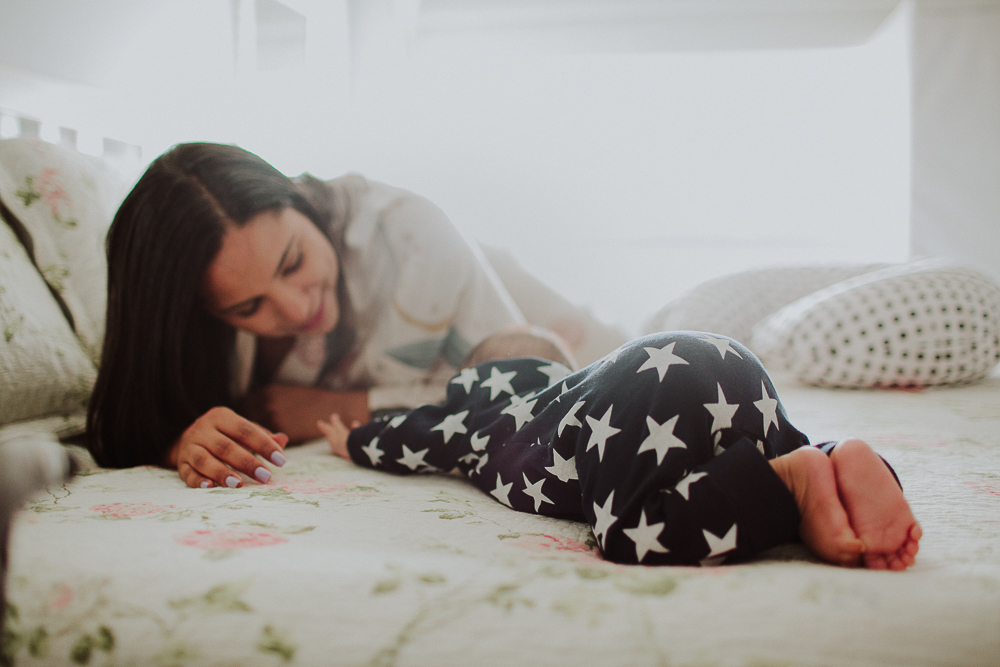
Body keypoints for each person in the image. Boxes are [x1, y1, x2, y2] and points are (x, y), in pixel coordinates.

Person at [85, 142, 576, 488]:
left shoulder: (410, 232)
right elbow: (132, 422)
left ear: (298, 201)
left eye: (293, 262)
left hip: (538, 318)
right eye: (248, 307)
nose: (299, 309)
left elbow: (533, 391)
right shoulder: (190, 313)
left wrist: (348, 407)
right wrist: (181, 443)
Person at [318, 331, 922, 570]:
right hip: (728, 363)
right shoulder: (577, 382)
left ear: (476, 382)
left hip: (642, 391)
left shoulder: (482, 418)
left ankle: (793, 483)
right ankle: (835, 458)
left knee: (632, 531)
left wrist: (356, 439)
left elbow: (415, 434)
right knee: (757, 443)